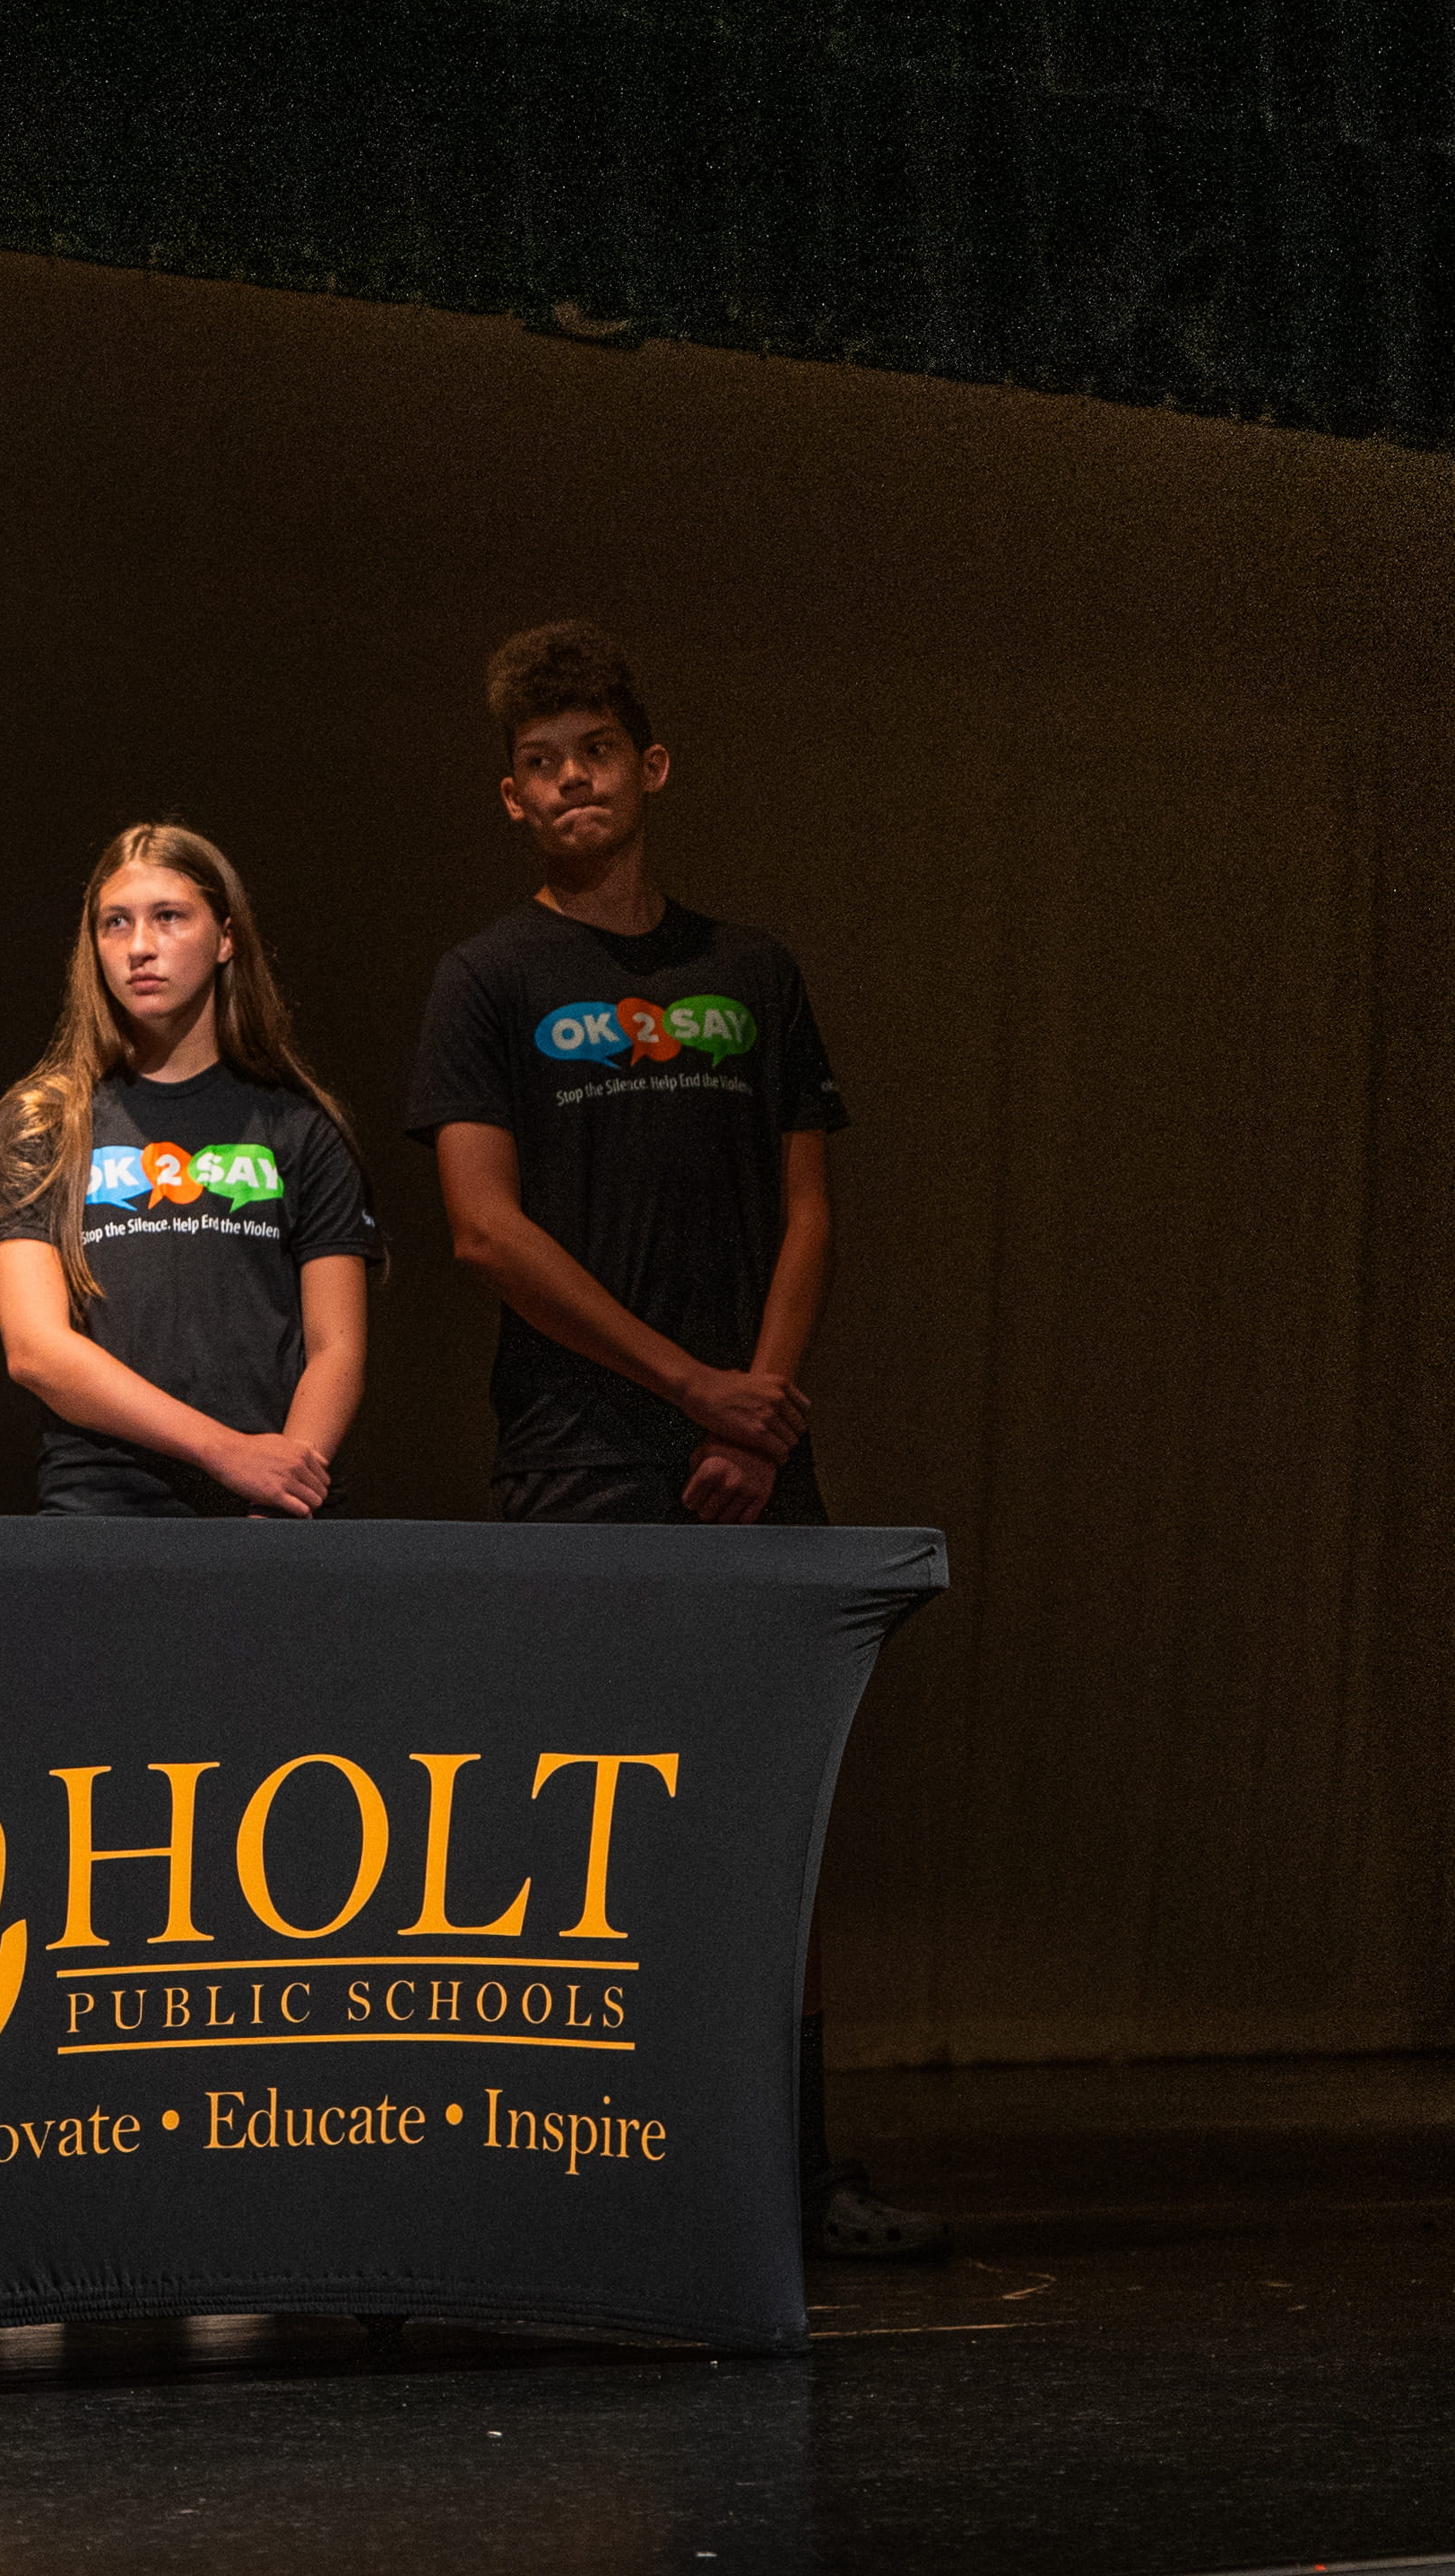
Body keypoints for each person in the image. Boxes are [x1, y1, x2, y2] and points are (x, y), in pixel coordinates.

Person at [402, 616, 940, 2260]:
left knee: (780, 1804)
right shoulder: (487, 979)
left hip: (749, 1452)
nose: (570, 780)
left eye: (594, 752)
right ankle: (607, 2164)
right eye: (539, 763)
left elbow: (808, 1211)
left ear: (649, 767)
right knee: (599, 1811)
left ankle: (794, 2173)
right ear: (513, 796)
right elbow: (482, 1233)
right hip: (582, 1447)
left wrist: (755, 1407)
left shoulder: (749, 971)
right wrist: (683, 1388)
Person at [0, 826, 378, 1516]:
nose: (139, 947)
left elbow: (337, 1348)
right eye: (115, 923)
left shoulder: (299, 1127)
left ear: (226, 938)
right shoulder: (43, 1122)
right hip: (101, 1508)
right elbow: (36, 1349)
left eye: (169, 917)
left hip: (271, 1513)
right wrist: (224, 1450)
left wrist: (282, 1491)